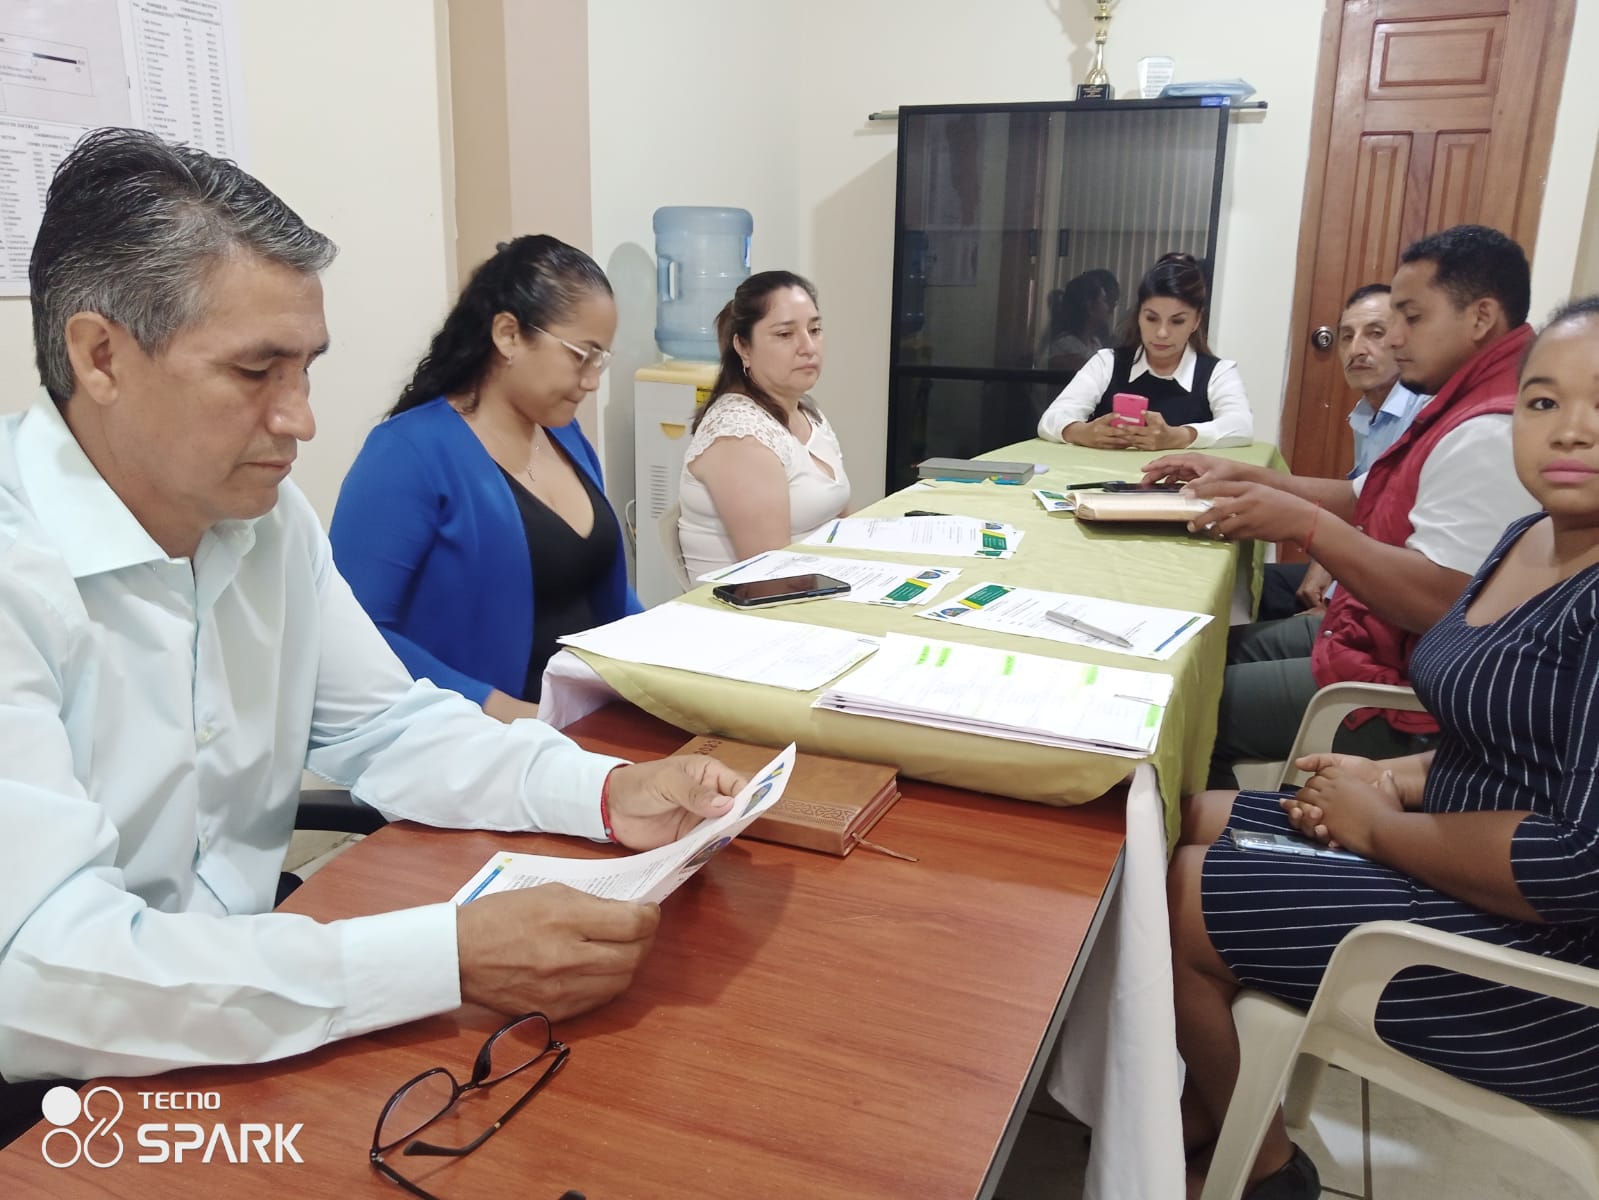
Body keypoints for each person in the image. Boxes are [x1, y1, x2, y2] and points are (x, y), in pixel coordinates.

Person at [0, 129, 745, 1138]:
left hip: (253, 1001)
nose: (301, 420)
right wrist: (444, 957)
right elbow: (40, 975)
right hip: (60, 1086)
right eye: (256, 372)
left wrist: (606, 792)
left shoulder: (265, 525)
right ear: (101, 357)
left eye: (306, 369)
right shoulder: (18, 570)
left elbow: (387, 728)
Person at [1168, 295, 1599, 1200]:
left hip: (1550, 975)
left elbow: (1575, 864)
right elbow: (1508, 743)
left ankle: (1264, 1168)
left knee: (1180, 896)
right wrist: (1391, 776)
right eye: (1543, 401)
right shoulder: (1530, 537)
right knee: (1180, 818)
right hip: (1458, 861)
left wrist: (1376, 829)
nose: (1570, 430)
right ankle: (1211, 1102)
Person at [1143, 225, 1541, 787]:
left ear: (1481, 317)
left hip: (1408, 692)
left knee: (1177, 703)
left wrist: (1305, 526)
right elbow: (1363, 496)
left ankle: (1223, 831)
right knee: (1197, 653)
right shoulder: (1458, 402)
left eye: (1410, 318)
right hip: (1367, 631)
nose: (1394, 340)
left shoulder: (1489, 431)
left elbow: (1441, 604)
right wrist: (1244, 474)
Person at [330, 236, 637, 721]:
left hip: (588, 721)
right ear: (509, 335)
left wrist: (669, 658)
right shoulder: (410, 452)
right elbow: (353, 632)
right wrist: (501, 711)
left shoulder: (566, 437)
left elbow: (607, 594)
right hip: (479, 738)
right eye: (581, 355)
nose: (592, 380)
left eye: (601, 359)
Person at [1260, 283, 1430, 619]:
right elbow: (1363, 513)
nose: (1357, 349)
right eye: (1347, 336)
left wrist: (1335, 607)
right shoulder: (1366, 413)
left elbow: (1396, 535)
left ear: (1403, 339)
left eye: (1375, 333)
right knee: (1245, 588)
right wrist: (1325, 562)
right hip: (1361, 568)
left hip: (1393, 595)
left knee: (1241, 641)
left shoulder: (1422, 415)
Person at [677, 270, 850, 577]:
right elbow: (771, 577)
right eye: (785, 335)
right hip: (767, 598)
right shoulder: (739, 434)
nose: (808, 347)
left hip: (823, 582)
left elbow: (844, 525)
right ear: (744, 347)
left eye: (815, 330)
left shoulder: (806, 412)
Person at [1037, 251, 1253, 451]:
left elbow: (1241, 426)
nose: (1162, 333)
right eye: (1151, 318)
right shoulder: (1107, 362)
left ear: (1196, 321)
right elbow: (1051, 419)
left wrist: (1180, 436)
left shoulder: (1218, 373)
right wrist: (1083, 432)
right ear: (1139, 315)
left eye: (1177, 321)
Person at [1040, 271, 1114, 374]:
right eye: (1104, 301)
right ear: (1090, 307)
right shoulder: (1065, 346)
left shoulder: (1095, 343)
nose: (1108, 308)